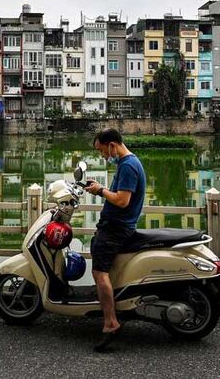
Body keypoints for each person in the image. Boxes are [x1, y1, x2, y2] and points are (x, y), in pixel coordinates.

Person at [83, 128, 146, 352]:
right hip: (117, 226)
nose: (102, 156)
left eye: (102, 151)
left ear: (112, 145)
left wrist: (101, 191)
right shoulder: (128, 162)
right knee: (102, 272)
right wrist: (101, 189)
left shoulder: (128, 166)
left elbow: (122, 200)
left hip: (116, 229)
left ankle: (111, 322)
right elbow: (118, 194)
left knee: (100, 273)